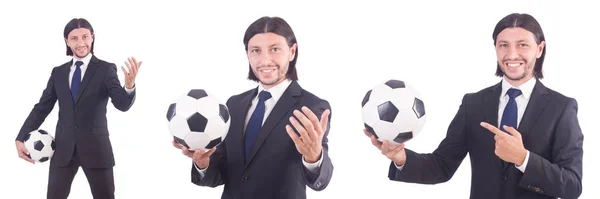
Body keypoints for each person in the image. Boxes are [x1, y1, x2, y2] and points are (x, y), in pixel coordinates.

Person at [365, 13, 583, 199]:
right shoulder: (474, 104)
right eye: (503, 45)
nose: (512, 54)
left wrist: (523, 159)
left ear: (539, 49)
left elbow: (572, 185)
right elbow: (442, 166)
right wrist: (400, 157)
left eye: (522, 45)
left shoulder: (561, 108)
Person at [172, 16, 334, 199]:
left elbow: (320, 181)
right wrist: (203, 163)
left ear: (292, 51)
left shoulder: (311, 107)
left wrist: (314, 158)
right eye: (255, 50)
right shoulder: (233, 105)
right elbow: (222, 174)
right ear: (247, 54)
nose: (265, 60)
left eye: (275, 49)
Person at [14, 18, 142, 199]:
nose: (81, 43)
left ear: (92, 38)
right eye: (74, 38)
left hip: (97, 150)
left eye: (85, 37)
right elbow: (42, 108)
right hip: (63, 150)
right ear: (66, 41)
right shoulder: (58, 72)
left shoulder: (105, 69)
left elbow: (122, 105)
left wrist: (129, 87)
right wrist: (21, 137)